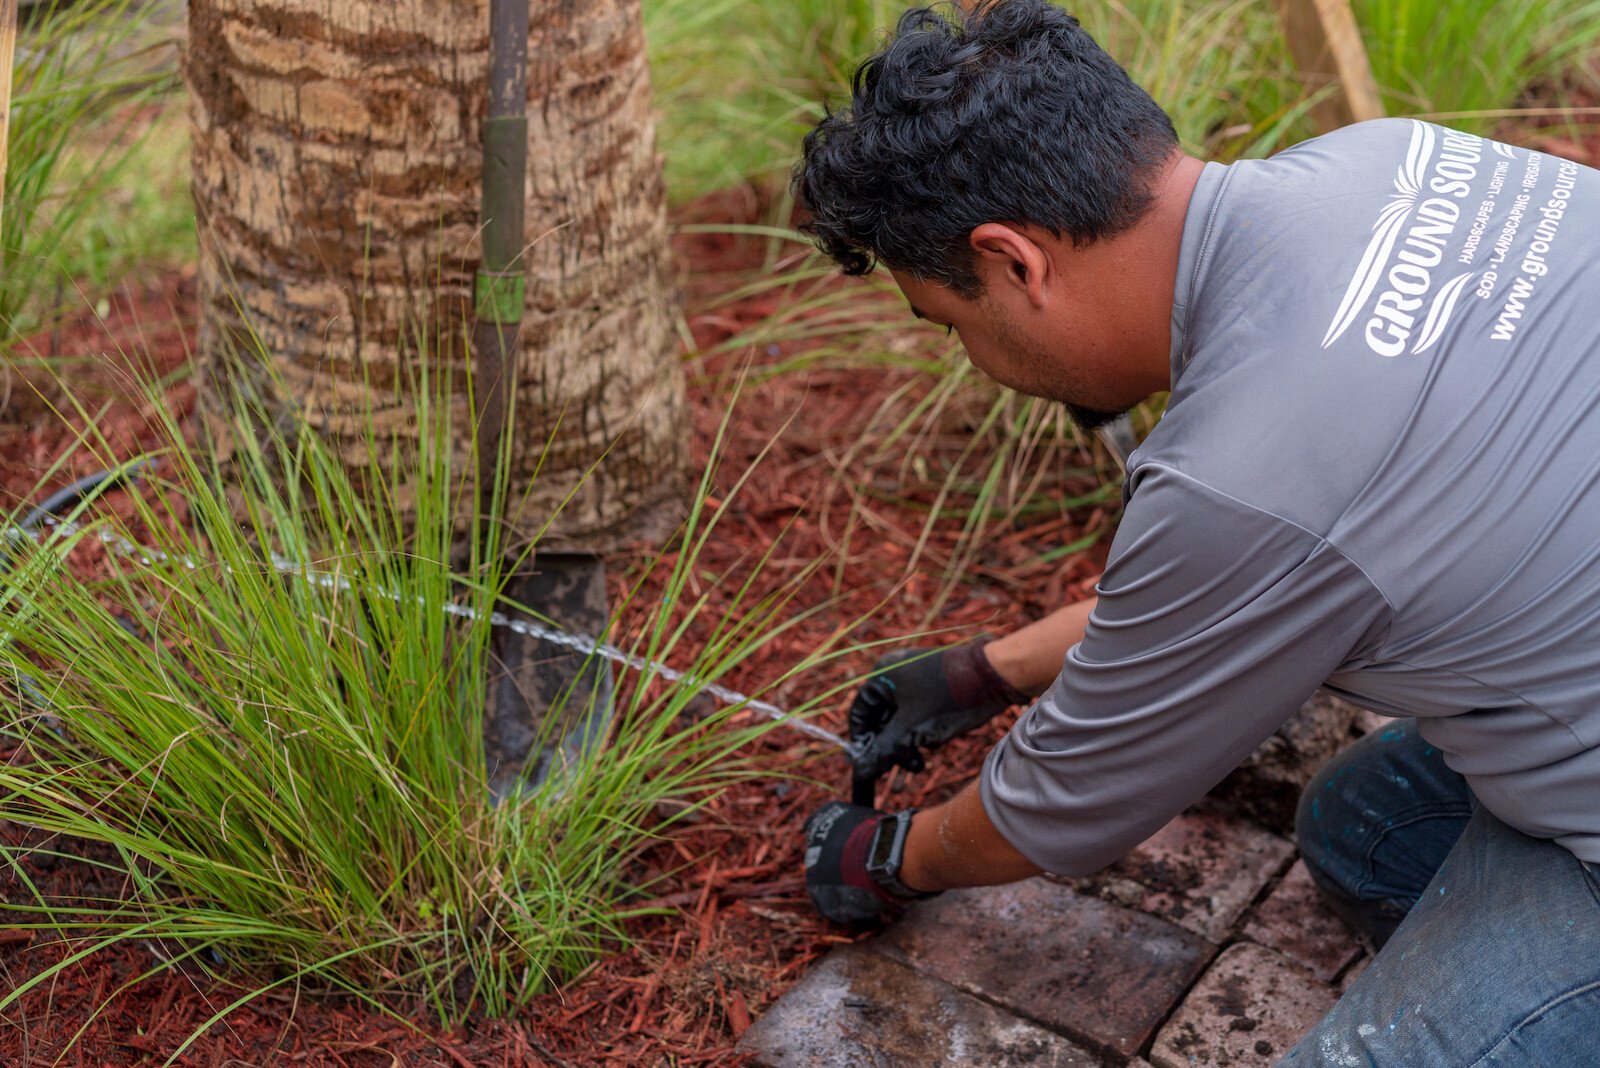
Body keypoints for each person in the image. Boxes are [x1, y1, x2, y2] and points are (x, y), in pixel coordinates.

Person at [791, 2, 1600, 1064]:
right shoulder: (1383, 163)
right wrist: (983, 673)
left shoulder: (1247, 469)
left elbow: (1060, 811)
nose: (973, 358)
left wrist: (893, 852)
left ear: (1014, 265)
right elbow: (1287, 558)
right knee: (1366, 833)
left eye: (951, 323)